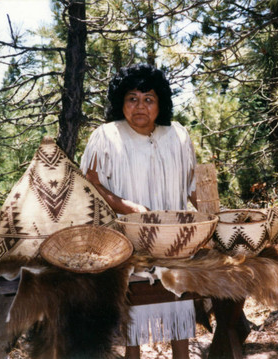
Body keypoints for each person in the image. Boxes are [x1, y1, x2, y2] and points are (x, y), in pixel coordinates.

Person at [80, 64, 197, 359]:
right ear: (121, 102)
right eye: (132, 98)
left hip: (174, 244)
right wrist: (127, 206)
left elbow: (193, 185)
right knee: (133, 319)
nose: (140, 106)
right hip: (126, 246)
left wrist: (213, 215)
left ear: (160, 104)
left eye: (149, 99)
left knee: (178, 308)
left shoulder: (178, 135)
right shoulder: (105, 136)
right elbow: (89, 187)